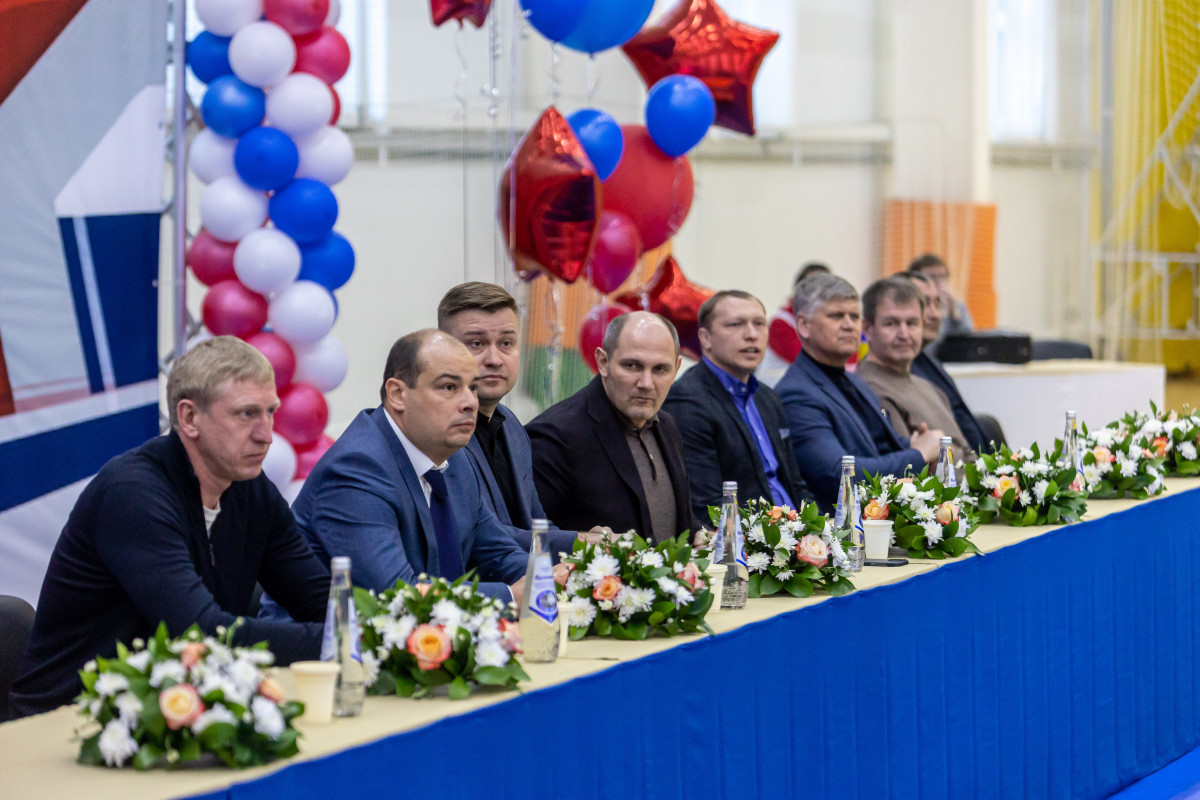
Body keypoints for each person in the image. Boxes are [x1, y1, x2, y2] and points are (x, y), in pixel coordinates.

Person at [9, 337, 330, 718]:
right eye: (246, 414)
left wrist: (370, 627)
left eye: (270, 412)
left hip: (177, 714)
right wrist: (336, 641)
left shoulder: (251, 490)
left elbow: (320, 599)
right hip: (71, 720)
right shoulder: (131, 494)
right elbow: (200, 634)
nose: (266, 434)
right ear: (189, 418)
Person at [290, 330, 528, 601]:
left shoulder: (456, 458)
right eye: (449, 387)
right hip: (332, 628)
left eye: (472, 388)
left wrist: (549, 578)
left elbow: (500, 555)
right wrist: (510, 596)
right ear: (397, 394)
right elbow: (395, 594)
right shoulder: (356, 469)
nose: (470, 403)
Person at [775, 274, 944, 510]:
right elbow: (839, 475)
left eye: (854, 316)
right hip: (839, 525)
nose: (849, 325)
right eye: (836, 316)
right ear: (803, 325)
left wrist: (920, 447)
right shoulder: (797, 394)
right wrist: (918, 455)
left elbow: (884, 447)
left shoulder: (855, 382)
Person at [436, 282, 582, 556]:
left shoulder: (512, 425)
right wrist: (578, 542)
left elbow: (536, 525)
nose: (494, 359)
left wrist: (589, 545)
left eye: (506, 343)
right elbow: (480, 539)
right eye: (476, 343)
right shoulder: (437, 433)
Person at [527, 311, 696, 542]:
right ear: (603, 362)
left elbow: (669, 517)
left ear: (676, 368)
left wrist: (700, 533)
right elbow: (531, 538)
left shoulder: (665, 424)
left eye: (660, 369)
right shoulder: (555, 435)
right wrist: (582, 541)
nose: (646, 383)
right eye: (632, 366)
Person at [663, 290, 814, 523]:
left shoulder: (767, 397)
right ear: (705, 338)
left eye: (759, 324)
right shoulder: (687, 400)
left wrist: (819, 528)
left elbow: (796, 484)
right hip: (748, 537)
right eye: (735, 325)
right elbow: (708, 507)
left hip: (796, 531)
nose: (751, 335)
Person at [854, 277, 973, 469]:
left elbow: (966, 453)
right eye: (891, 323)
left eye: (912, 323)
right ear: (867, 328)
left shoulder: (928, 386)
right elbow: (910, 471)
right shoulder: (869, 391)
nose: (904, 334)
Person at [903, 271, 996, 451]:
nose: (935, 315)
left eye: (937, 304)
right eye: (924, 304)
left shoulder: (930, 363)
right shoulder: (903, 370)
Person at [908, 252, 973, 338]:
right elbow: (928, 343)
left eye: (942, 276)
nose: (938, 282)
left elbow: (969, 338)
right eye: (932, 277)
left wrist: (954, 314)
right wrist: (941, 315)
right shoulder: (911, 306)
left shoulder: (956, 305)